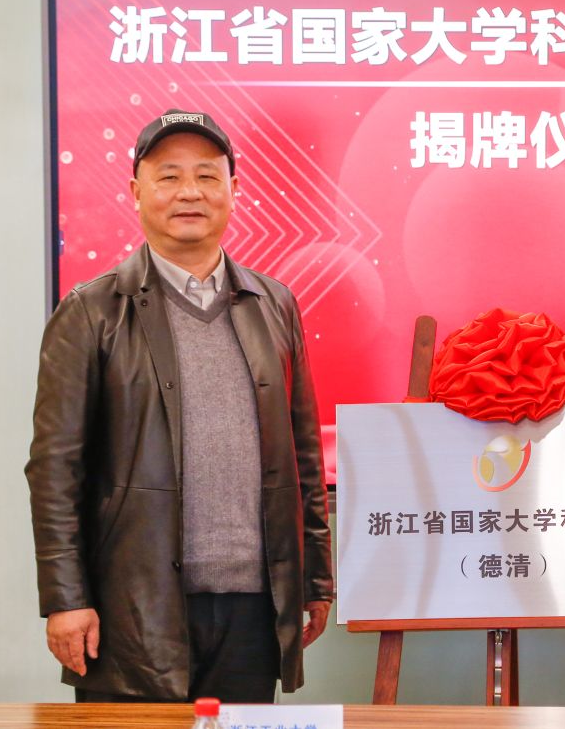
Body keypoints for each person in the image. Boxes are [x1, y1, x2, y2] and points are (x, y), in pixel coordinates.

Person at [26, 108, 334, 703]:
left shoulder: (274, 304)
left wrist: (316, 579)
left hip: (253, 607)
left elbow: (304, 455)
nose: (189, 192)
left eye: (207, 176)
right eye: (168, 176)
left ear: (233, 190)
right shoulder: (91, 311)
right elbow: (55, 470)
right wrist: (66, 598)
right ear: (136, 191)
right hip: (132, 608)